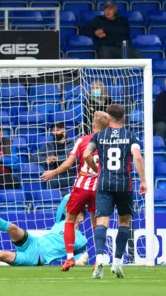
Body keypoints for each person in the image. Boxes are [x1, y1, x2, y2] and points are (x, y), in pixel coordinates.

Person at [84, 104, 147, 279]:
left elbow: (86, 154)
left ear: (108, 119)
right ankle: (117, 262)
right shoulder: (130, 136)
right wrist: (143, 181)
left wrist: (97, 169)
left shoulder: (99, 135)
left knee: (102, 221)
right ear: (124, 119)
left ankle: (99, 259)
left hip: (104, 183)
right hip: (123, 184)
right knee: (124, 222)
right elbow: (137, 157)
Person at [41, 111, 110, 271]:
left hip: (80, 187)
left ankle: (70, 258)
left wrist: (53, 173)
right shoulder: (110, 144)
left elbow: (68, 163)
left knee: (70, 221)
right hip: (99, 189)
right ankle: (98, 259)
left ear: (93, 125)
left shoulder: (83, 140)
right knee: (97, 225)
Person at [0, 194, 88, 267]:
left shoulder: (81, 239)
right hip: (33, 242)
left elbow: (76, 257)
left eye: (76, 211)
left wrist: (81, 260)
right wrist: (79, 194)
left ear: (81, 218)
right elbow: (65, 199)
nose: (70, 211)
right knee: (12, 228)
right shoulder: (61, 222)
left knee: (0, 255)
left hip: (36, 258)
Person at [32, 122, 76, 190]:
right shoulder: (48, 145)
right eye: (53, 130)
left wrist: (58, 158)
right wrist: (46, 159)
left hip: (71, 175)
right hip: (54, 176)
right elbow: (33, 157)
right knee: (49, 181)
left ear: (64, 131)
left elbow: (77, 158)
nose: (55, 133)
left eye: (57, 130)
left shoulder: (73, 143)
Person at [153, 74, 166, 140]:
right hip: (165, 126)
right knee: (161, 126)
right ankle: (159, 149)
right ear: (165, 86)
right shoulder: (160, 97)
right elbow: (156, 116)